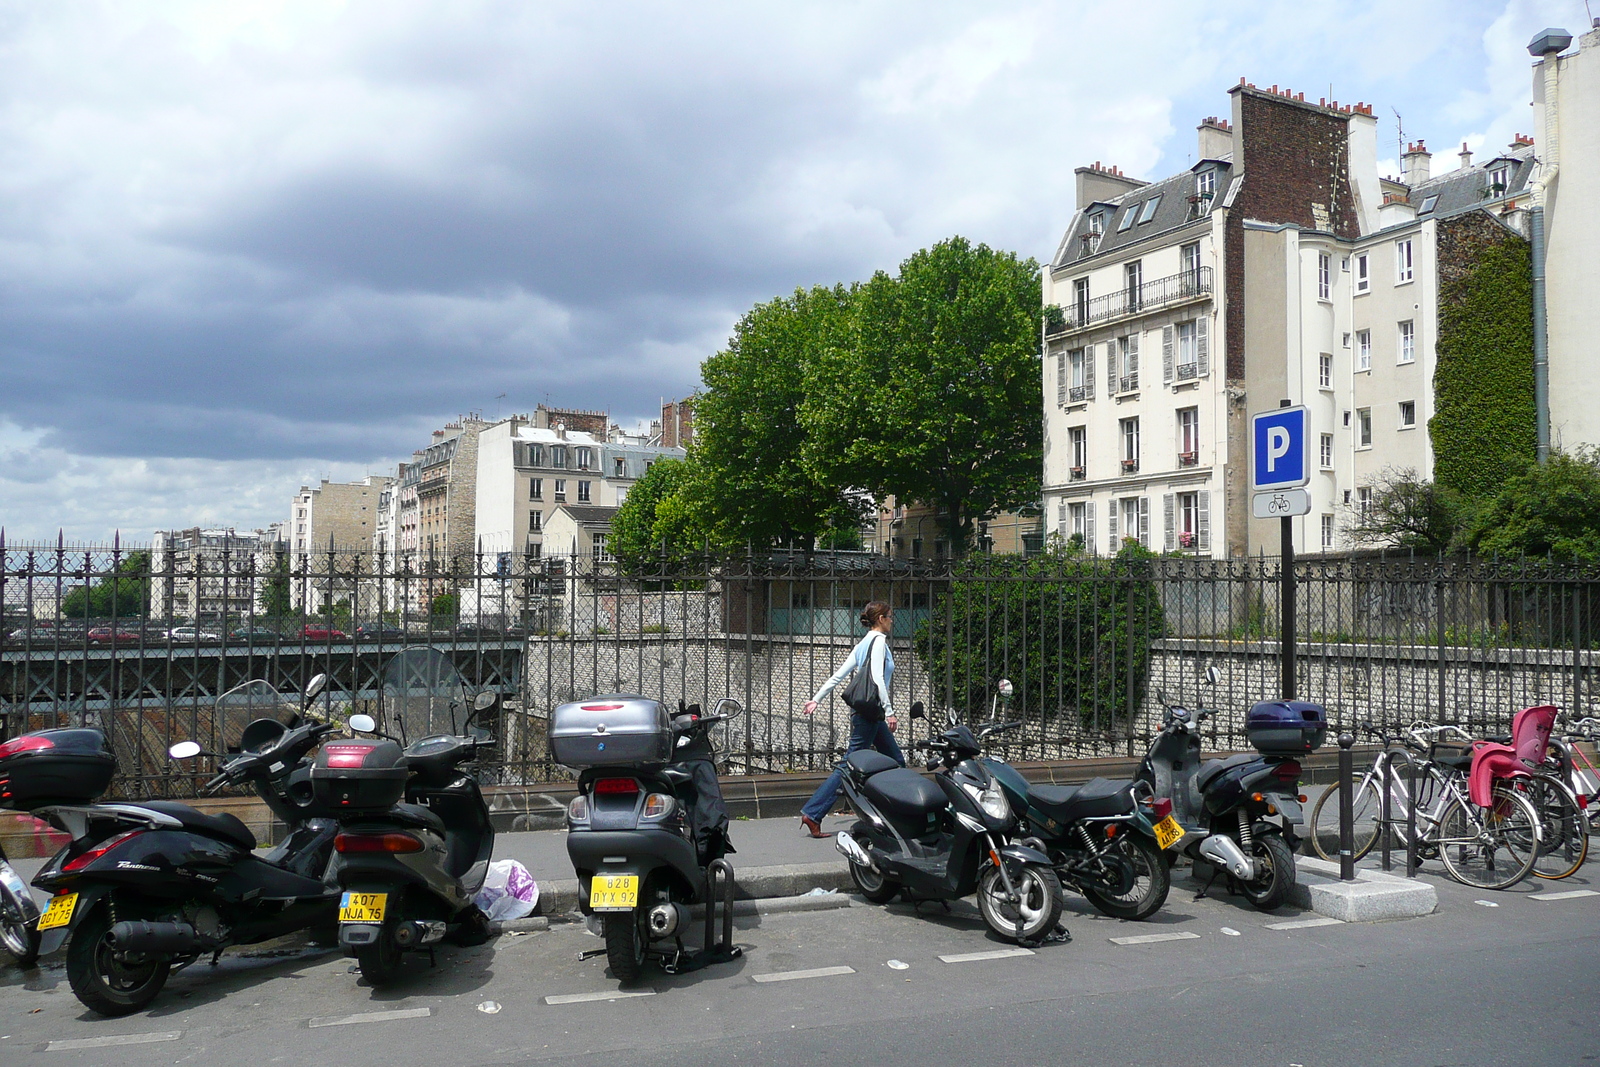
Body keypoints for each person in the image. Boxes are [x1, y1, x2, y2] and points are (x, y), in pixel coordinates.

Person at [798, 601, 904, 837]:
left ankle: (891, 813)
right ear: (880, 619)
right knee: (849, 765)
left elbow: (839, 675)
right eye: (890, 616)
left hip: (868, 714)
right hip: (871, 714)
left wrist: (817, 698)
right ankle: (813, 813)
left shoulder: (864, 643)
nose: (892, 620)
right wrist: (890, 711)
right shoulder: (878, 642)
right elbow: (877, 678)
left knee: (896, 761)